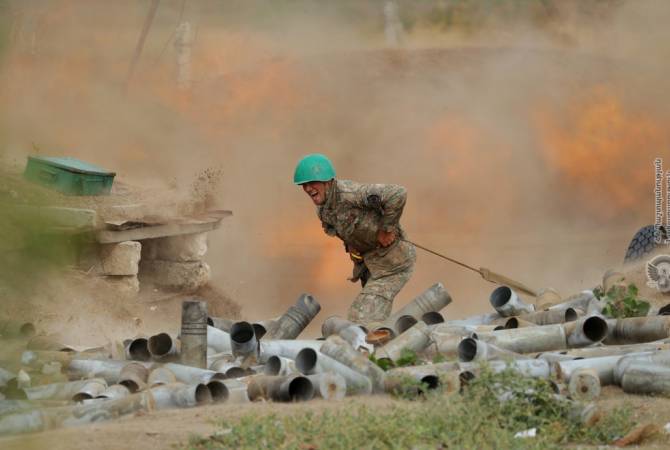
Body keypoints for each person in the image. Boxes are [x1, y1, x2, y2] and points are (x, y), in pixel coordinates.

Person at [293, 153, 416, 325]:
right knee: (374, 319)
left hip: (393, 263)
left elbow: (397, 194)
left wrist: (387, 229)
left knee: (361, 317)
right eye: (303, 185)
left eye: (312, 183)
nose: (307, 189)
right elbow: (344, 229)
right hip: (371, 266)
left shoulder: (351, 194)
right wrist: (353, 246)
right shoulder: (324, 210)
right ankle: (388, 346)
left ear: (328, 181)